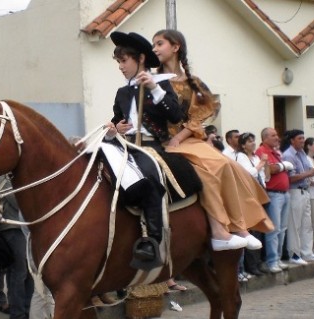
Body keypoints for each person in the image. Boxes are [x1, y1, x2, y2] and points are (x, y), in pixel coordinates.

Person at [152, 29, 271, 251]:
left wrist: (180, 136)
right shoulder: (153, 81)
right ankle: (219, 230)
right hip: (163, 141)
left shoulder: (193, 82)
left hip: (185, 139)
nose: (155, 49)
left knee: (228, 164)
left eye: (159, 44)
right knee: (209, 170)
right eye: (154, 45)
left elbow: (201, 115)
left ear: (175, 47)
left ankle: (239, 225)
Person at [106, 31, 184, 265]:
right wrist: (114, 129)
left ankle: (152, 240)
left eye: (124, 60)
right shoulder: (122, 92)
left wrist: (154, 89)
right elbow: (115, 120)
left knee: (149, 180)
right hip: (125, 146)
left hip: (151, 147)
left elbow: (176, 116)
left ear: (140, 59)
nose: (120, 66)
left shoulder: (161, 84)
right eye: (118, 61)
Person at [282, 129, 314, 264]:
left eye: (303, 138)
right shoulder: (288, 155)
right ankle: (294, 254)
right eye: (299, 138)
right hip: (295, 192)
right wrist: (312, 172)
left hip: (305, 190)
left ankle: (307, 253)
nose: (302, 141)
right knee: (295, 225)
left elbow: (308, 173)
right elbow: (291, 178)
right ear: (292, 140)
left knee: (307, 224)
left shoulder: (302, 153)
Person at [0, 175, 33, 319]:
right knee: (19, 271)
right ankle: (17, 314)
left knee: (28, 271)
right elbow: (18, 201)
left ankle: (28, 309)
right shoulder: (3, 177)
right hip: (12, 227)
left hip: (24, 226)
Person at [255, 127, 292, 273]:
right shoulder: (262, 152)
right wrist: (283, 166)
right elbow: (271, 170)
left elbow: (278, 168)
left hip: (284, 193)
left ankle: (277, 258)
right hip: (274, 194)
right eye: (273, 135)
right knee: (274, 229)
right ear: (264, 138)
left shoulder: (276, 152)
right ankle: (271, 261)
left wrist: (280, 166)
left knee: (282, 229)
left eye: (277, 134)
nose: (277, 137)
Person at [235, 132, 267, 277]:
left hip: (258, 195)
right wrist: (261, 163)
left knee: (259, 231)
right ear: (243, 145)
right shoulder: (241, 157)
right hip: (248, 197)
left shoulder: (255, 157)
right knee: (252, 230)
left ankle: (258, 262)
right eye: (249, 142)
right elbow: (249, 173)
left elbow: (264, 176)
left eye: (253, 141)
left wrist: (263, 164)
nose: (253, 143)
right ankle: (251, 265)